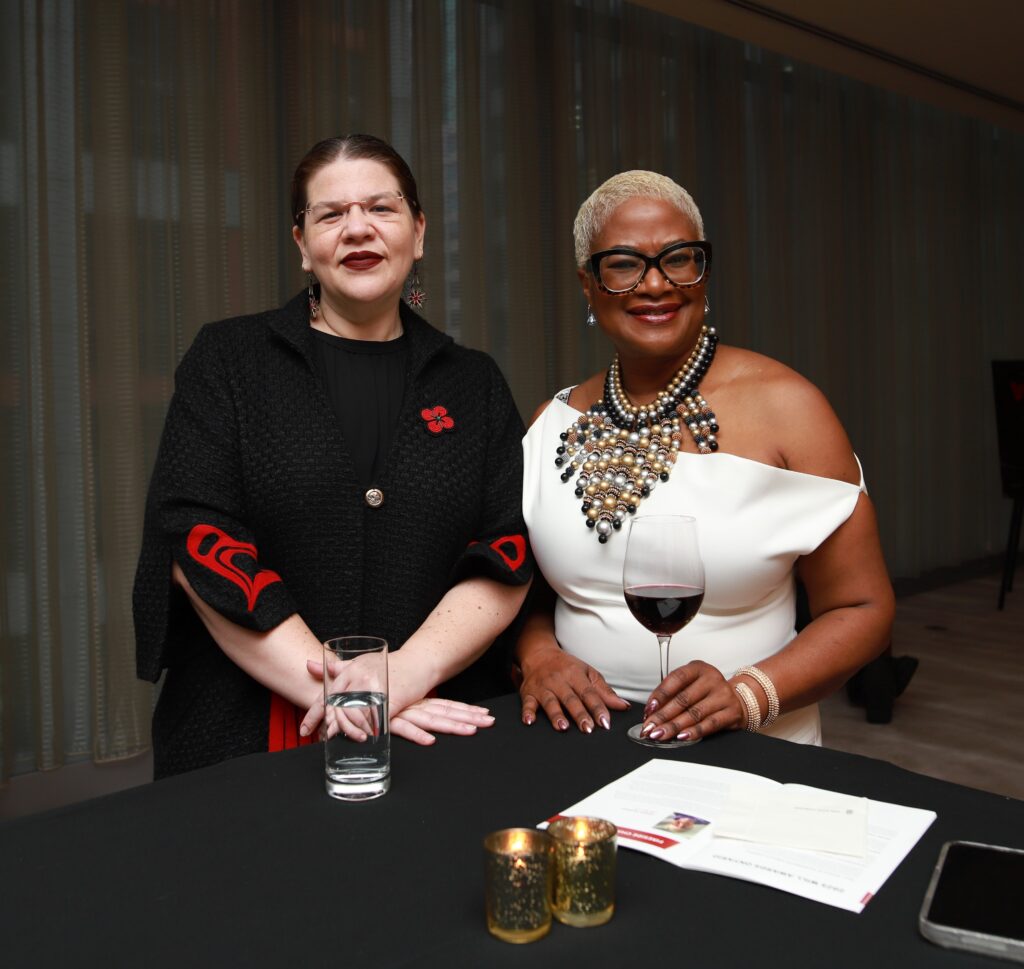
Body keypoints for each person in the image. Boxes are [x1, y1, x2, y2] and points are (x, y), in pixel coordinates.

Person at [134, 134, 531, 778]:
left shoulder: (473, 382)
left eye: (381, 208)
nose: (357, 228)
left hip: (437, 728)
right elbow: (195, 536)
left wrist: (401, 675)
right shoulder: (228, 361)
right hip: (244, 738)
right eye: (331, 214)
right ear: (302, 244)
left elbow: (506, 545)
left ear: (419, 232)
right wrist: (349, 695)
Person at [517, 170, 894, 745]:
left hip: (749, 749)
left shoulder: (790, 409)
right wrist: (538, 655)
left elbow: (864, 608)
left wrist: (748, 695)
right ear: (588, 285)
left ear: (704, 272)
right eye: (624, 264)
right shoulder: (551, 423)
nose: (655, 284)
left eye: (678, 259)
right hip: (580, 745)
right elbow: (524, 594)